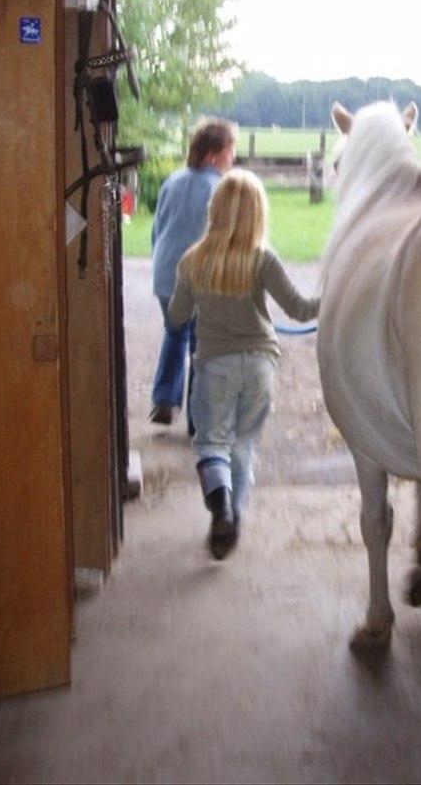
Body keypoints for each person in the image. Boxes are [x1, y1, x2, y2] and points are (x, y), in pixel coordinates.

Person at [168, 168, 320, 559]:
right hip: (259, 365)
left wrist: (196, 300)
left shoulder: (193, 260)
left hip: (214, 364)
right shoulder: (262, 258)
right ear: (257, 212)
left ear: (215, 210)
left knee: (211, 443)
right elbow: (301, 309)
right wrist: (335, 295)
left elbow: (176, 318)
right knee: (243, 445)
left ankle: (219, 507)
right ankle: (234, 512)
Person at [149, 117, 237, 432]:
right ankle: (198, 420)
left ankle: (164, 400)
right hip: (199, 281)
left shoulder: (172, 181)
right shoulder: (222, 189)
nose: (233, 157)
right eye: (230, 149)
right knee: (202, 347)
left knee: (175, 334)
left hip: (164, 275)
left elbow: (156, 230)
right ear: (214, 154)